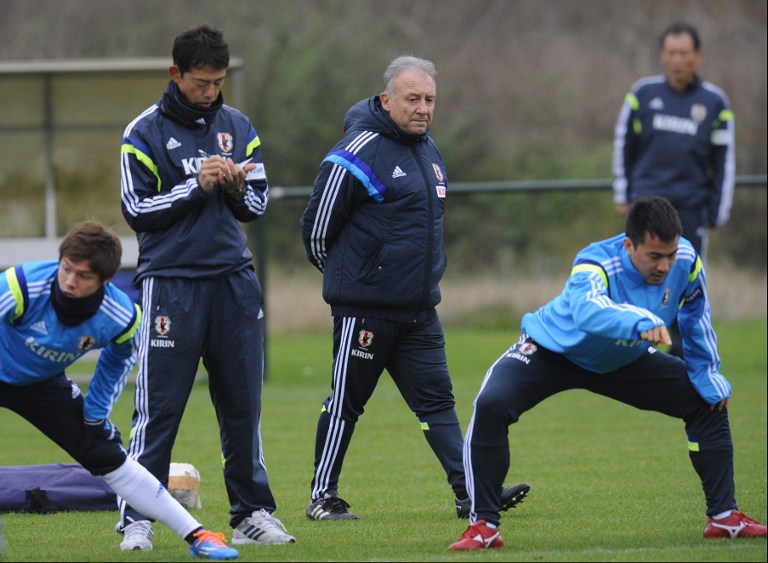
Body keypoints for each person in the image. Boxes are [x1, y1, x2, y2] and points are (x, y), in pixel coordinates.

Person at [449, 196, 766, 550]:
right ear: (629, 244)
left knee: (707, 401)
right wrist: (640, 320)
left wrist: (708, 373)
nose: (664, 266)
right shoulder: (594, 261)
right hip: (552, 350)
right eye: (654, 256)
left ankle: (724, 517)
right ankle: (484, 526)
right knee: (491, 403)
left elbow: (696, 316)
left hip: (622, 359)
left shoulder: (687, 260)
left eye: (670, 255)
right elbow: (588, 312)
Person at [300, 55, 530, 521]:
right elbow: (316, 230)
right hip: (365, 311)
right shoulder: (355, 152)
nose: (423, 108)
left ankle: (471, 491)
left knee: (439, 403)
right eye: (413, 99)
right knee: (346, 403)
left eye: (429, 100)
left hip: (420, 310)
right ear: (386, 101)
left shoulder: (429, 150)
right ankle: (322, 497)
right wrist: (356, 282)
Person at [117, 24, 294, 550]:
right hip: (171, 285)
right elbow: (137, 211)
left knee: (242, 405)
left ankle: (252, 513)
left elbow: (256, 206)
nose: (211, 92)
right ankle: (138, 518)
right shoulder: (142, 132)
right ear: (175, 74)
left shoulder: (238, 126)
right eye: (201, 82)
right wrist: (195, 186)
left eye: (218, 82)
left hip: (233, 283)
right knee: (159, 408)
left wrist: (237, 188)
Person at [0, 221, 239, 560]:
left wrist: (95, 416)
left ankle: (199, 536)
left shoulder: (121, 317)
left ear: (105, 280)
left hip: (42, 384)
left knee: (107, 454)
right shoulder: (21, 284)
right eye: (66, 269)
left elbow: (116, 363)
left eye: (83, 276)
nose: (69, 281)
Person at [612, 20, 735, 357]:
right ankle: (631, 348)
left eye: (684, 53)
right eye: (671, 53)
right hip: (646, 206)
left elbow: (725, 159)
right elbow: (624, 144)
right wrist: (622, 192)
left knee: (687, 281)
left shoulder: (714, 103)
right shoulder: (642, 94)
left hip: (691, 208)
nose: (677, 60)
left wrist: (718, 210)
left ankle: (684, 355)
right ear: (662, 56)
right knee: (637, 275)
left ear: (698, 56)